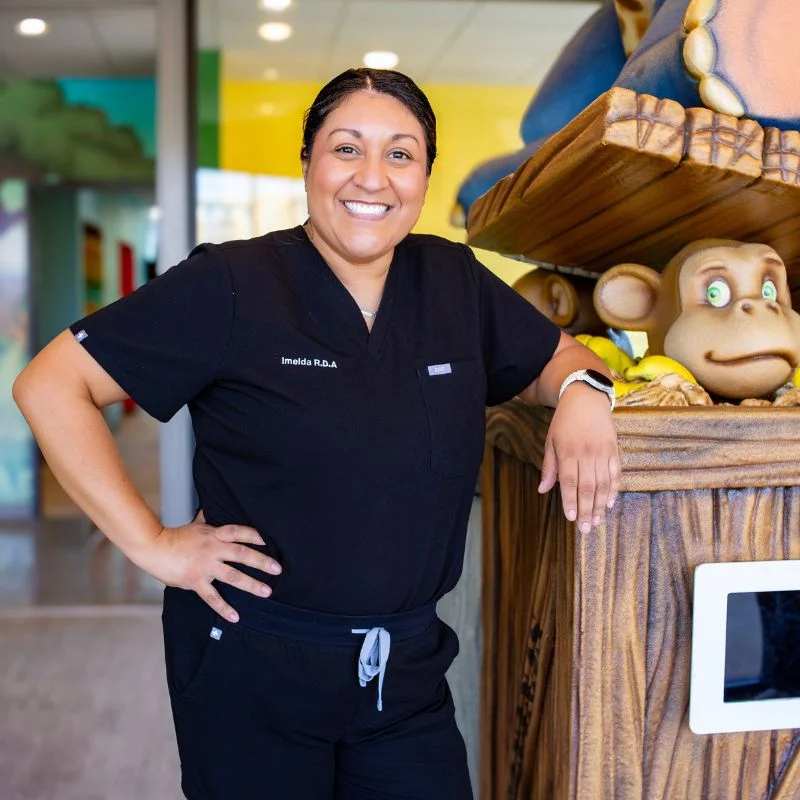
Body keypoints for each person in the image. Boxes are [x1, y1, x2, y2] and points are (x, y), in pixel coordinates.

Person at [12, 68, 620, 800]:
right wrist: (151, 543)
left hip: (407, 675)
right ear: (308, 163)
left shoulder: (453, 281)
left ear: (425, 175)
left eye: (401, 153)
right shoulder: (232, 283)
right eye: (346, 148)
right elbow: (51, 384)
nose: (373, 176)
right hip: (254, 667)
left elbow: (557, 356)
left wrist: (585, 393)